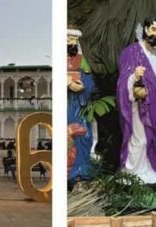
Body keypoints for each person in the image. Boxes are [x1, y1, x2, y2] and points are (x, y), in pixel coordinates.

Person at [116, 16, 156, 187]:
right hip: (138, 103)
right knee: (139, 139)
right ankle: (132, 170)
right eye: (153, 29)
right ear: (145, 29)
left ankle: (147, 168)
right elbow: (123, 80)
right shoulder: (131, 52)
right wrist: (135, 76)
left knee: (152, 138)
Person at [67, 25, 96, 180]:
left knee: (84, 135)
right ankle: (70, 170)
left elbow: (90, 80)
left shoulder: (81, 60)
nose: (72, 43)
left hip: (80, 104)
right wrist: (67, 83)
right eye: (69, 39)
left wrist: (84, 86)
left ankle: (82, 167)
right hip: (67, 104)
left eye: (74, 40)